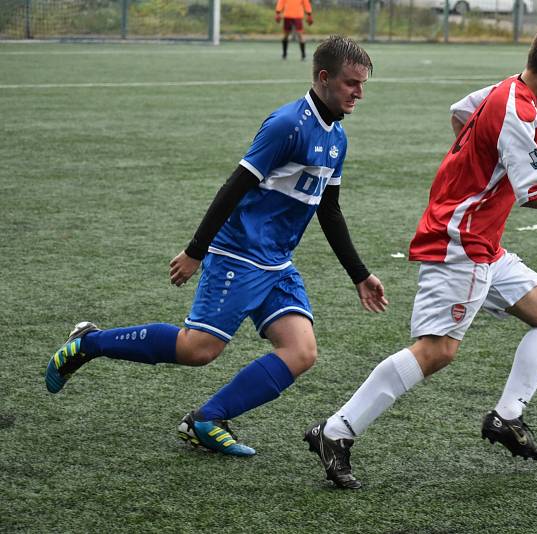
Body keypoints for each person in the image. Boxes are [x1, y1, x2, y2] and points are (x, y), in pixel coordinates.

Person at [304, 21, 537, 489]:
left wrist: (474, 166)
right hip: (461, 242)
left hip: (482, 240)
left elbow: (459, 113)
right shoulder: (518, 111)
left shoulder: (503, 90)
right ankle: (337, 431)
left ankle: (506, 418)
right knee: (437, 349)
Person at [45, 35, 387, 457]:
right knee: (198, 349)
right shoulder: (288, 125)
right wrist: (196, 250)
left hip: (277, 263)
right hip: (239, 254)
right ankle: (89, 342)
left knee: (301, 351)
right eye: (352, 83)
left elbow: (329, 211)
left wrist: (360, 275)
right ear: (323, 78)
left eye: (363, 84)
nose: (359, 93)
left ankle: (207, 419)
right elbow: (234, 187)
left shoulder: (337, 138)